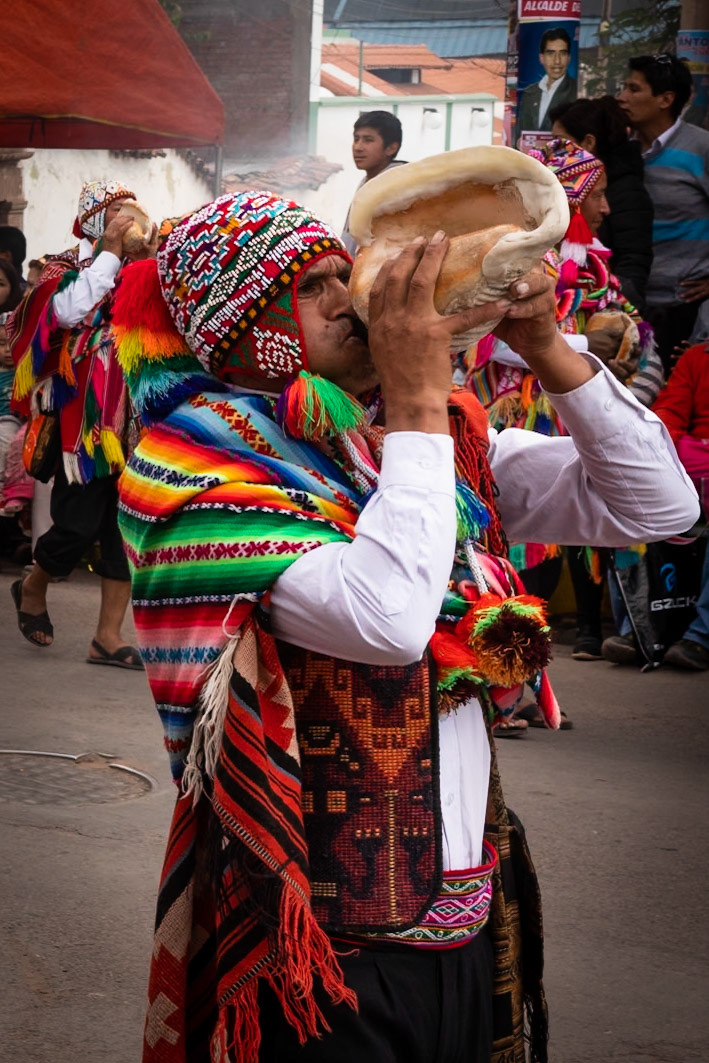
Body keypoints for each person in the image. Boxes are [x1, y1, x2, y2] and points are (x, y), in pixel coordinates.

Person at [109, 190, 697, 1063]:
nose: (356, 299)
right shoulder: (192, 472)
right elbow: (386, 616)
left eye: (347, 272)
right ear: (245, 329)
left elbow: (662, 502)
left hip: (464, 917)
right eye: (314, 286)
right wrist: (421, 399)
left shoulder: (411, 442)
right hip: (317, 946)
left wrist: (545, 347)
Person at [468, 139, 663, 670]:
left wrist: (619, 347)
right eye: (594, 195)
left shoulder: (596, 267)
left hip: (570, 408)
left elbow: (632, 329)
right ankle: (507, 671)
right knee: (506, 542)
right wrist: (575, 347)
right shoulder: (509, 259)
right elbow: (482, 333)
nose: (604, 207)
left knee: (567, 537)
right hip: (509, 409)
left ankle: (529, 664)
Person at [7, 179, 151, 665]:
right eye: (115, 213)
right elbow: (67, 312)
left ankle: (106, 637)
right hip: (82, 418)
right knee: (76, 522)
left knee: (123, 529)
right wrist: (109, 253)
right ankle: (33, 584)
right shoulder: (62, 267)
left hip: (133, 415)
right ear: (95, 219)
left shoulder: (141, 267)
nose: (126, 222)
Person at [603, 340, 709, 670]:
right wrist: (662, 448)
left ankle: (700, 638)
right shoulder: (697, 357)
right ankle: (639, 630)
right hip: (693, 464)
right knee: (628, 510)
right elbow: (671, 411)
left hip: (699, 463)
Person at [618, 53, 709, 373]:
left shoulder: (701, 148)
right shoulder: (621, 151)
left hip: (685, 311)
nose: (622, 97)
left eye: (633, 89)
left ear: (665, 99)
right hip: (629, 305)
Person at [550, 94, 653, 313]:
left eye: (561, 142)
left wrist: (607, 307)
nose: (554, 150)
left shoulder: (627, 192)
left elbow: (633, 263)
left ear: (588, 142)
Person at [341, 110, 404, 256]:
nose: (358, 147)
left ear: (391, 148)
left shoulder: (396, 185)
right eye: (356, 139)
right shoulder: (368, 181)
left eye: (368, 140)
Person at [517, 27, 577, 134]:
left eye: (562, 53)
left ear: (569, 58)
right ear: (541, 58)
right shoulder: (529, 93)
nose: (557, 61)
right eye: (551, 53)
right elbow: (519, 135)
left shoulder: (575, 91)